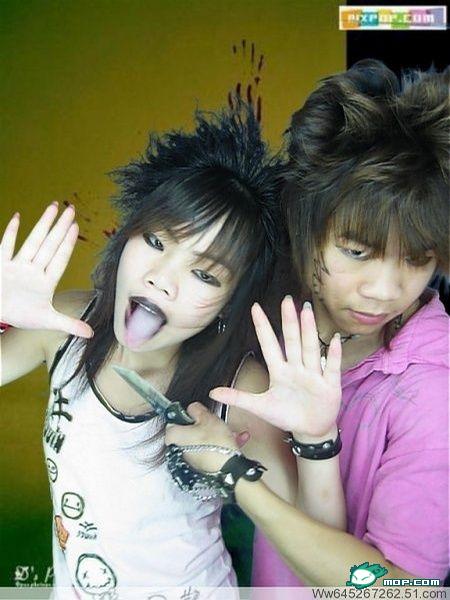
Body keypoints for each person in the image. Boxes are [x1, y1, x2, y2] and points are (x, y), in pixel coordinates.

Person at [165, 60, 450, 587]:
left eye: (416, 259)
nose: (384, 290)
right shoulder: (270, 294)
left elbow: (401, 592)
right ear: (305, 225)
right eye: (357, 251)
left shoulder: (432, 393)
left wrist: (235, 475)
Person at [0, 105, 301, 597]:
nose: (162, 278)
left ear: (231, 300)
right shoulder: (65, 326)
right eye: (157, 241)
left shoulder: (239, 389)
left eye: (204, 274)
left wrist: (300, 443)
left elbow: (304, 535)